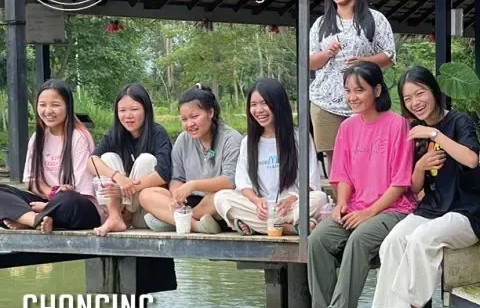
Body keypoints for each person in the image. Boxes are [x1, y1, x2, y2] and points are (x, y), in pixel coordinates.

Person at [300, 62, 417, 308]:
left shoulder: (398, 125)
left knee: (360, 239)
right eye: (348, 91)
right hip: (356, 208)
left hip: (394, 209)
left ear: (377, 90)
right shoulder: (348, 128)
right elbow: (343, 176)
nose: (352, 97)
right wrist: (341, 204)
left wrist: (368, 212)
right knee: (318, 239)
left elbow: (401, 184)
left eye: (359, 90)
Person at [373, 66, 480, 308]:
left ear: (434, 91)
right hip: (433, 206)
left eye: (420, 93)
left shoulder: (459, 122)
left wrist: (435, 133)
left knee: (422, 239)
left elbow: (471, 159)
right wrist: (420, 166)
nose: (415, 102)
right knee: (393, 241)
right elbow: (415, 185)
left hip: (466, 210)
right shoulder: (415, 132)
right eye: (408, 98)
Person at [309, 0, 396, 172]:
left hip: (364, 102)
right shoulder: (320, 24)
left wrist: (364, 61)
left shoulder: (375, 19)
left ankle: (367, 202)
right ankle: (342, 204)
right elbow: (309, 62)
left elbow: (389, 56)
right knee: (335, 160)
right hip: (325, 102)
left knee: (368, 156)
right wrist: (328, 53)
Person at [214, 78, 327, 235]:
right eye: (253, 105)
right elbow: (242, 183)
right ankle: (291, 229)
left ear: (278, 104)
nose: (258, 110)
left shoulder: (299, 137)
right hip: (262, 208)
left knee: (320, 198)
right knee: (221, 198)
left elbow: (311, 181)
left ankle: (259, 226)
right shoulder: (248, 142)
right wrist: (256, 201)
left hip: (290, 207)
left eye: (264, 103)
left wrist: (292, 198)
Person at [0, 79, 101, 233]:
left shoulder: (79, 137)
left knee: (68, 198)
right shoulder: (37, 138)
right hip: (47, 202)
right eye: (42, 105)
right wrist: (50, 195)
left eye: (55, 105)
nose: (48, 111)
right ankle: (33, 220)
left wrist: (50, 204)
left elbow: (83, 193)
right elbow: (31, 182)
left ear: (68, 106)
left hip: (79, 207)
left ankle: (30, 217)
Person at [141, 84, 242, 234]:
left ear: (210, 112)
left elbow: (230, 181)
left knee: (221, 197)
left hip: (216, 203)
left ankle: (174, 220)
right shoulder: (183, 140)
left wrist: (193, 185)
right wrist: (176, 196)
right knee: (146, 194)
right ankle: (196, 225)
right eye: (184, 119)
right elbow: (176, 178)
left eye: (195, 117)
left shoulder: (231, 139)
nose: (189, 124)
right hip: (189, 201)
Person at [88, 83, 172, 236]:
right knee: (107, 158)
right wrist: (118, 177)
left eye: (134, 109)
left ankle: (122, 215)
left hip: (145, 212)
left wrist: (124, 188)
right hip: (119, 210)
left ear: (146, 110)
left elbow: (163, 174)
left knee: (146, 160)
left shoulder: (158, 133)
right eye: (122, 110)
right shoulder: (116, 133)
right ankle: (115, 216)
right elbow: (91, 160)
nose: (128, 116)